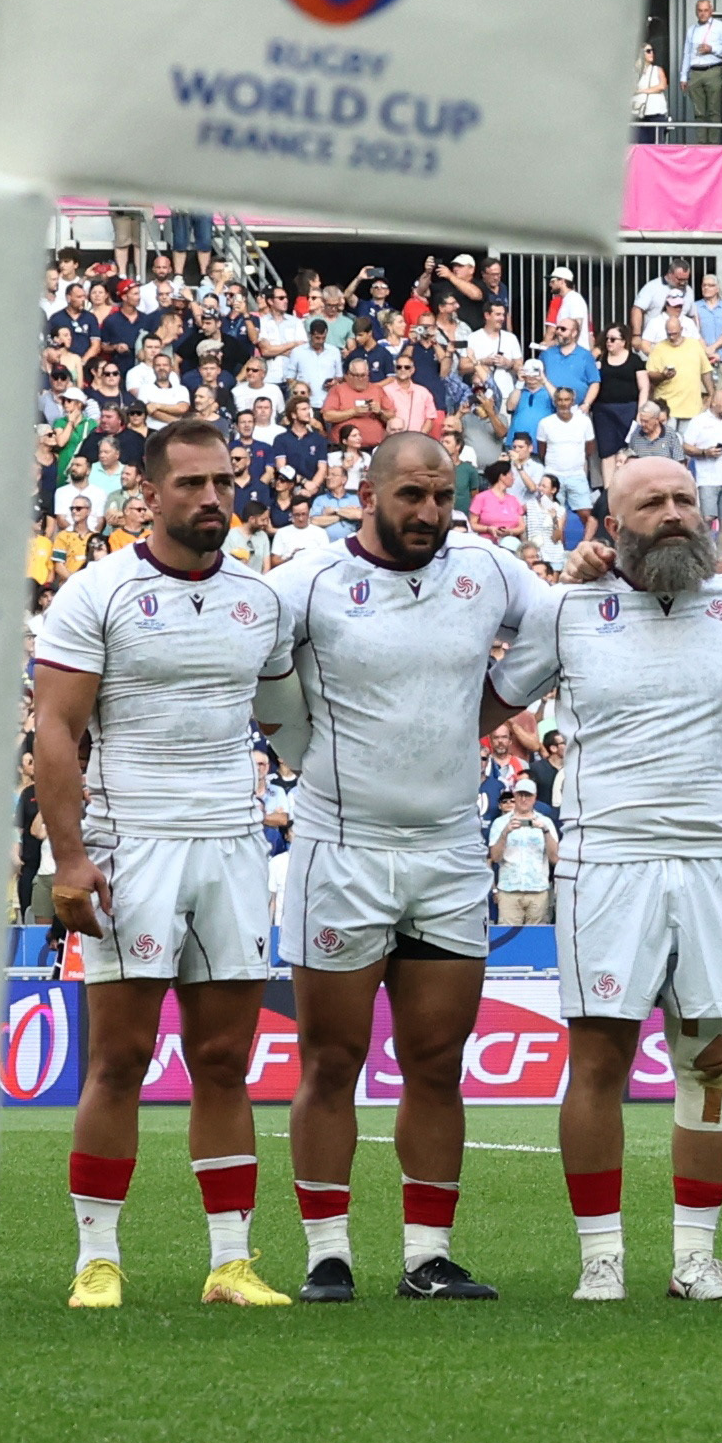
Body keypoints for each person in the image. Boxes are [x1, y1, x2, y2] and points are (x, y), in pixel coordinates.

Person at [26, 418, 302, 1308]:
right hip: (128, 841)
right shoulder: (96, 592)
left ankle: (231, 1262)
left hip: (230, 841)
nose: (211, 497)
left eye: (223, 480)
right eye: (191, 483)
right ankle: (97, 1259)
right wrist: (69, 859)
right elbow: (55, 732)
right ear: (149, 494)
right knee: (120, 1057)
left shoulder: (260, 601)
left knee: (225, 1057)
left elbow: (285, 713)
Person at [271, 426, 546, 1303]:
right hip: (340, 850)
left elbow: (558, 626)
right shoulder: (307, 581)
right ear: (370, 495)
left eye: (440, 498)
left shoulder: (487, 571)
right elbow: (248, 661)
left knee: (437, 1058)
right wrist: (294, 740)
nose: (429, 512)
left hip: (446, 853)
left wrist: (495, 703)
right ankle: (326, 1253)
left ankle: (428, 1255)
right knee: (331, 1058)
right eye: (411, 496)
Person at [542, 453, 722, 1300]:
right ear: (611, 521)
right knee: (599, 1061)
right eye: (650, 501)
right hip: (605, 857)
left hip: (712, 858)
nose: (673, 512)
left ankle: (696, 1256)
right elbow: (486, 699)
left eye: (685, 498)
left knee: (712, 1057)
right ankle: (600, 1258)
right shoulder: (568, 611)